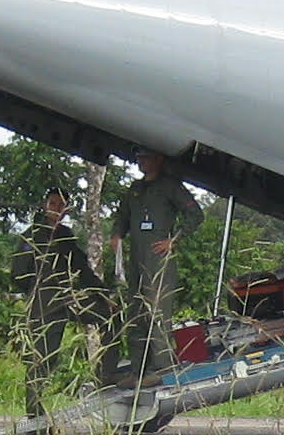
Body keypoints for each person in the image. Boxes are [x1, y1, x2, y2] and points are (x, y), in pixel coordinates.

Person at [110, 149, 197, 388]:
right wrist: (117, 234)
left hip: (158, 261)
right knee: (136, 314)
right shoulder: (135, 189)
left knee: (158, 315)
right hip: (136, 260)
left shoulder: (170, 186)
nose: (141, 162)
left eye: (146, 157)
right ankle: (138, 371)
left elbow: (195, 214)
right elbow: (122, 216)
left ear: (159, 159)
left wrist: (174, 239)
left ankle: (163, 370)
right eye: (138, 158)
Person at [16, 185, 102, 418]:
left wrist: (101, 294)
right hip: (42, 303)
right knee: (42, 356)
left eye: (61, 205)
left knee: (108, 316)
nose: (56, 209)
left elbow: (82, 269)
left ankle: (108, 376)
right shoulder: (32, 235)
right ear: (45, 205)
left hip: (66, 300)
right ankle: (34, 412)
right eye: (53, 204)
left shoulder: (65, 236)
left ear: (66, 209)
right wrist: (37, 291)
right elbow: (18, 273)